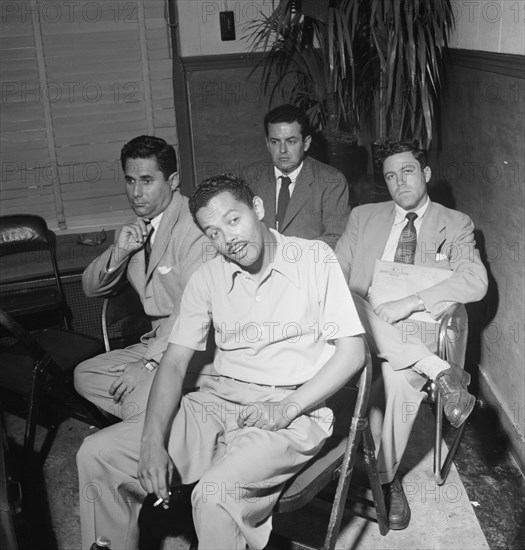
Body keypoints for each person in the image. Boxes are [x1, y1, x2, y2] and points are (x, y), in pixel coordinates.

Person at [77, 174, 366, 550]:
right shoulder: (208, 277)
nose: (227, 239)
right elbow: (175, 362)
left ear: (257, 209)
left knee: (212, 496)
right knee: (97, 453)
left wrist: (286, 408)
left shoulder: (313, 258)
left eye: (233, 220)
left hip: (292, 411)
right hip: (215, 401)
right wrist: (151, 441)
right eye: (213, 232)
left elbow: (352, 352)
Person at [336, 140, 488, 530]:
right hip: (359, 323)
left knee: (399, 379)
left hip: (415, 327)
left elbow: (474, 280)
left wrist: (412, 302)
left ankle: (382, 478)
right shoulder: (363, 217)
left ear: (426, 174)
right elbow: (336, 274)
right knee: (347, 298)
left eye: (407, 171)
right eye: (389, 175)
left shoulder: (454, 224)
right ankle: (439, 371)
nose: (398, 181)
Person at [74, 135, 214, 420]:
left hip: (195, 346)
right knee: (84, 375)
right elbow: (90, 288)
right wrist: (120, 252)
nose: (136, 192)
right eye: (130, 181)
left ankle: (153, 423)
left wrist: (148, 364)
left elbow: (195, 313)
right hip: (157, 340)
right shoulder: (136, 226)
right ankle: (171, 418)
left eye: (147, 180)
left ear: (173, 181)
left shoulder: (197, 229)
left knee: (135, 403)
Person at [251, 104, 350, 248]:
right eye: (275, 142)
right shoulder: (253, 180)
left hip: (309, 267)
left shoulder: (332, 181)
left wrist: (290, 256)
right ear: (267, 144)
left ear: (306, 143)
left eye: (291, 141)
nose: (282, 150)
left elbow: (337, 238)